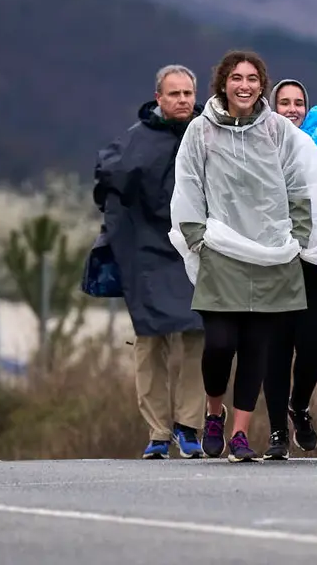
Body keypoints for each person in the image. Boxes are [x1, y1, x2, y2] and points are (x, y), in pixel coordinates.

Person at [170, 50, 316, 463]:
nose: (245, 85)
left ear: (261, 84)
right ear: (223, 83)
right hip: (221, 249)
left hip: (273, 253)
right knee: (219, 344)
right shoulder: (201, 130)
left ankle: (238, 435)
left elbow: (298, 181)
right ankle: (213, 413)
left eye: (253, 78)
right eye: (237, 78)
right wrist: (195, 233)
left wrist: (298, 235)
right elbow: (187, 180)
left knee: (257, 348)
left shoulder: (277, 130)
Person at [88, 64, 206, 459]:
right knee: (150, 340)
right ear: (158, 98)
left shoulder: (208, 134)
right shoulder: (134, 143)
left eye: (188, 93)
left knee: (196, 335)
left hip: (194, 250)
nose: (183, 101)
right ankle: (158, 431)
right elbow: (107, 185)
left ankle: (189, 426)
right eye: (174, 94)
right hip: (148, 255)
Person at [261, 78, 317, 459]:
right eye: (284, 102)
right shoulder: (257, 147)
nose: (291, 108)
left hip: (315, 264)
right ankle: (277, 429)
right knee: (275, 348)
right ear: (272, 107)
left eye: (298, 102)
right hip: (272, 261)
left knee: (312, 347)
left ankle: (300, 405)